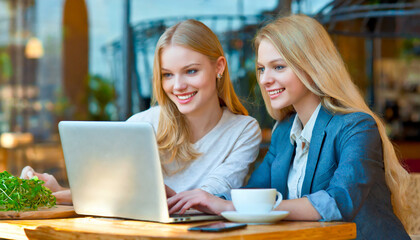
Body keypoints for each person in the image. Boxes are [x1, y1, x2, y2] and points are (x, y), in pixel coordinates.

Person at [167, 15, 410, 239]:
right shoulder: (284, 132)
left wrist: (231, 207)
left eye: (278, 67)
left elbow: (337, 202)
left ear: (313, 66)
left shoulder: (356, 127)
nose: (264, 79)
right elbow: (254, 193)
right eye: (261, 69)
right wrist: (205, 200)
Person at [21, 19, 261, 204]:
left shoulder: (243, 130)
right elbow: (111, 194)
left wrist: (145, 190)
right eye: (168, 74)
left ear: (218, 67)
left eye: (190, 71)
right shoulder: (142, 124)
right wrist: (58, 191)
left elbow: (209, 197)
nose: (177, 86)